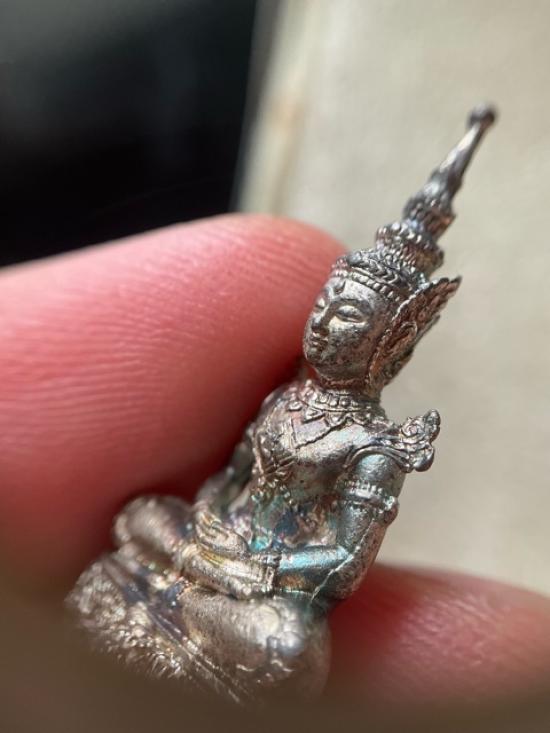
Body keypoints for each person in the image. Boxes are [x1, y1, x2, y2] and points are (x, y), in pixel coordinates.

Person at [2, 212, 550, 705]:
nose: (324, 322)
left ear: (389, 340)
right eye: (324, 305)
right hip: (212, 545)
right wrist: (208, 531)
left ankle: (180, 602)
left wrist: (258, 570)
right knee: (140, 512)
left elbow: (343, 561)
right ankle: (188, 586)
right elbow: (229, 479)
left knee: (288, 646)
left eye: (348, 314)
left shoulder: (375, 445)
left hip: (261, 583)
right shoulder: (284, 399)